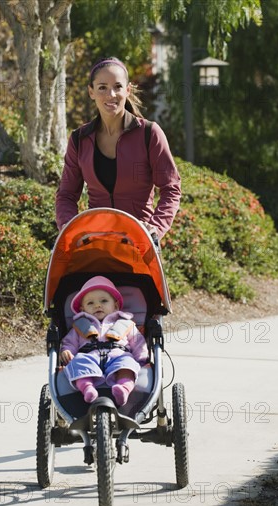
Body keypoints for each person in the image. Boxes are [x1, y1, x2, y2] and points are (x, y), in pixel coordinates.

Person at [56, 56, 181, 240]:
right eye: (102, 87)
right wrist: (69, 229)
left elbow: (171, 188)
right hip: (94, 246)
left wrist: (155, 228)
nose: (111, 94)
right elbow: (66, 195)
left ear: (128, 90)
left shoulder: (149, 134)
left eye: (117, 87)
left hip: (139, 244)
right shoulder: (80, 139)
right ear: (91, 92)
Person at [60, 276, 150, 406]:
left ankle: (123, 389)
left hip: (118, 357)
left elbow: (138, 343)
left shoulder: (125, 324)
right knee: (77, 362)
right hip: (89, 358)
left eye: (104, 301)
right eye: (90, 303)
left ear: (116, 306)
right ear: (82, 309)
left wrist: (141, 358)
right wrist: (67, 350)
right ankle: (87, 389)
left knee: (128, 364)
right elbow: (70, 342)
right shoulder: (80, 326)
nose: (97, 305)